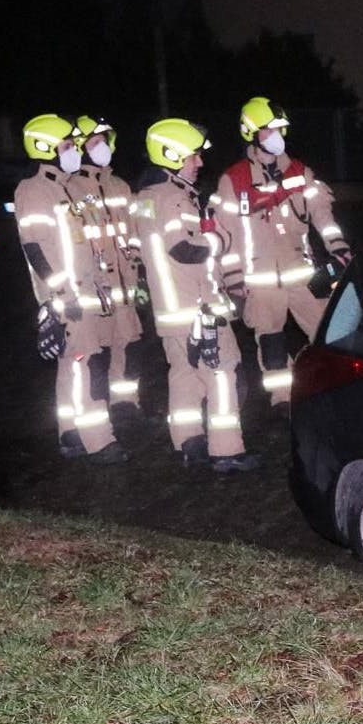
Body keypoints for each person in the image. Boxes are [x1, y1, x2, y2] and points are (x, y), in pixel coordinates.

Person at [212, 96, 350, 418]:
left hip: (302, 272)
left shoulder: (300, 172)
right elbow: (227, 236)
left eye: (280, 129)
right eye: (270, 130)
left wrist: (338, 247)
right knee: (271, 343)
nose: (278, 136)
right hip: (258, 282)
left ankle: (338, 387)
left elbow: (322, 216)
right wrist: (232, 281)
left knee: (331, 330)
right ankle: (283, 399)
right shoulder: (234, 180)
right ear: (252, 134)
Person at [137, 118, 258, 472]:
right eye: (193, 156)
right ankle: (227, 451)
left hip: (170, 311)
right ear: (172, 155)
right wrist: (217, 240)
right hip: (196, 308)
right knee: (223, 371)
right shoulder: (175, 198)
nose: (199, 163)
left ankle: (189, 443)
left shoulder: (147, 197)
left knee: (184, 375)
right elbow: (183, 249)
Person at [13, 113, 129, 464]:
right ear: (46, 148)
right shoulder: (32, 190)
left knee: (71, 365)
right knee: (85, 365)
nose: (73, 152)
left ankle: (70, 434)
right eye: (67, 146)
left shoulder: (72, 187)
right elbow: (34, 248)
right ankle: (98, 441)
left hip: (88, 291)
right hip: (67, 296)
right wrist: (60, 293)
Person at [69, 115, 147, 420]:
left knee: (129, 350)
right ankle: (96, 418)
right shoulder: (71, 188)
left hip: (126, 289)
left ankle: (127, 408)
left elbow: (136, 231)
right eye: (94, 142)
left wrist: (139, 275)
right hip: (94, 292)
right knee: (95, 359)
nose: (102, 147)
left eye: (104, 141)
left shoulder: (120, 186)